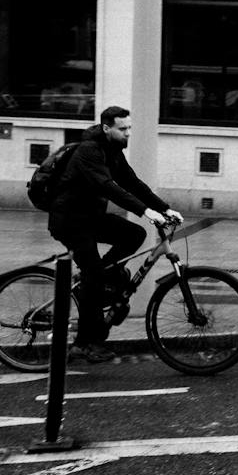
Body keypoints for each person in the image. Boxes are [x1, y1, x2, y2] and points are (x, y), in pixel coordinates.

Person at [47, 105, 181, 363]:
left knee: (134, 235)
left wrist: (164, 208)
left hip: (91, 217)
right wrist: (145, 211)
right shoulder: (89, 151)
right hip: (70, 220)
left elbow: (132, 183)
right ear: (107, 128)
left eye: (129, 128)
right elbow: (106, 186)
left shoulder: (113, 150)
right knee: (93, 278)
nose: (128, 133)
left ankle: (102, 276)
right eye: (123, 129)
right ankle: (84, 344)